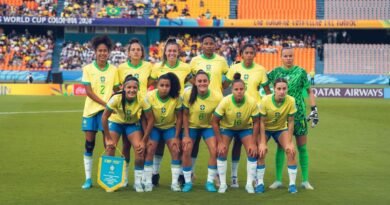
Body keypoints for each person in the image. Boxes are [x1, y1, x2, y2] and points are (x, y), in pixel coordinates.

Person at [267, 47, 319, 190]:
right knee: (281, 147)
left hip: (299, 115)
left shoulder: (301, 72)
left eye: (291, 56)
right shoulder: (275, 72)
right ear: (281, 57)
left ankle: (305, 180)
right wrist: (270, 101)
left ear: (293, 57)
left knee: (302, 147)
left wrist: (314, 109)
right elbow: (263, 83)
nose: (288, 58)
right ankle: (278, 180)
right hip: (282, 116)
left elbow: (309, 91)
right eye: (286, 56)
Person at [224, 43, 271, 188]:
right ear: (241, 54)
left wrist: (272, 107)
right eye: (247, 53)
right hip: (236, 110)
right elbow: (225, 86)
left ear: (255, 54)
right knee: (236, 145)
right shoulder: (234, 68)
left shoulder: (260, 70)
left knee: (254, 146)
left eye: (252, 53)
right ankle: (234, 177)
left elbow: (267, 91)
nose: (249, 55)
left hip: (254, 112)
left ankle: (256, 178)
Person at [149, 38, 191, 186]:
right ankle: (154, 174)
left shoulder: (186, 68)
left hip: (177, 110)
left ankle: (180, 176)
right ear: (165, 52)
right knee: (157, 145)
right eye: (169, 50)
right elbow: (150, 84)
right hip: (159, 110)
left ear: (178, 52)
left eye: (174, 50)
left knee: (176, 146)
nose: (172, 53)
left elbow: (195, 83)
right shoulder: (157, 67)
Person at [101, 75, 154, 192]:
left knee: (140, 150)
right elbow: (104, 117)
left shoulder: (142, 99)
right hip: (116, 123)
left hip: (132, 124)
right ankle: (113, 181)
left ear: (138, 89)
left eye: (134, 87)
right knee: (110, 148)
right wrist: (108, 138)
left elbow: (150, 119)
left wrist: (144, 140)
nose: (132, 90)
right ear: (123, 88)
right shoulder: (116, 98)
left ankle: (137, 182)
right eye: (129, 87)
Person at [80, 35, 120, 189]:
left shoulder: (113, 70)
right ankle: (88, 179)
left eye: (105, 51)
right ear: (95, 52)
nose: (103, 53)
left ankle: (106, 178)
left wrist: (120, 94)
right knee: (89, 144)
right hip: (91, 111)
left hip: (107, 113)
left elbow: (116, 89)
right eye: (100, 51)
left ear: (109, 52)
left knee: (108, 145)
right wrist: (106, 103)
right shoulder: (88, 69)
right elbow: (89, 92)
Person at [211, 73, 259, 194]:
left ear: (245, 89)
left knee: (252, 152)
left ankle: (249, 185)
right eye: (236, 89)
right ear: (231, 90)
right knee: (222, 151)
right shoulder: (225, 101)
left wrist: (253, 143)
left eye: (241, 89)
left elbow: (257, 122)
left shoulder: (252, 102)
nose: (239, 91)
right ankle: (222, 184)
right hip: (227, 128)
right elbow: (214, 122)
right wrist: (220, 142)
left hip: (244, 128)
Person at [189, 34, 229, 178]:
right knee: (193, 144)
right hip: (198, 102)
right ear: (202, 45)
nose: (209, 45)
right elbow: (189, 77)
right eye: (206, 43)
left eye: (211, 43)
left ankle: (216, 175)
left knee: (217, 142)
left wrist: (220, 88)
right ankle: (191, 173)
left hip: (215, 103)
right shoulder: (195, 61)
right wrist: (198, 87)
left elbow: (228, 77)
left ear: (215, 45)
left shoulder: (221, 61)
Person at [117, 39, 153, 186]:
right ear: (129, 52)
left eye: (139, 49)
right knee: (126, 145)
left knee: (144, 144)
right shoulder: (122, 68)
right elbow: (120, 87)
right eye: (133, 49)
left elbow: (152, 82)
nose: (136, 52)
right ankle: (125, 177)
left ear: (142, 52)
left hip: (144, 111)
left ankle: (144, 178)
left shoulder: (148, 66)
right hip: (128, 111)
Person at [181, 70, 223, 192]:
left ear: (209, 82)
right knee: (186, 150)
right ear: (195, 82)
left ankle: (210, 181)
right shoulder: (188, 95)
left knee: (214, 150)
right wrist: (186, 136)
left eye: (205, 81)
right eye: (199, 81)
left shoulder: (217, 96)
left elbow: (219, 117)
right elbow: (184, 115)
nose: (202, 83)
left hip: (208, 127)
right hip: (192, 127)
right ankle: (188, 182)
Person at [257, 78, 298, 194]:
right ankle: (260, 183)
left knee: (291, 151)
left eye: (284, 88)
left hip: (280, 129)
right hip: (266, 129)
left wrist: (290, 142)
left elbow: (290, 122)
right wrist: (262, 142)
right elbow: (262, 122)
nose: (281, 91)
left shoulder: (291, 101)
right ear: (274, 89)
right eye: (279, 89)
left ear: (287, 89)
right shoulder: (265, 100)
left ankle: (292, 185)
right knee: (261, 151)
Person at [143, 72, 183, 192]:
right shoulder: (149, 96)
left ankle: (175, 183)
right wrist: (147, 136)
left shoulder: (176, 98)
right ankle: (148, 182)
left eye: (167, 86)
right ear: (157, 85)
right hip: (153, 128)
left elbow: (180, 118)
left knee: (175, 150)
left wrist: (176, 137)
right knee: (150, 149)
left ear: (171, 87)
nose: (164, 88)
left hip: (169, 128)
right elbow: (144, 118)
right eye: (162, 85)